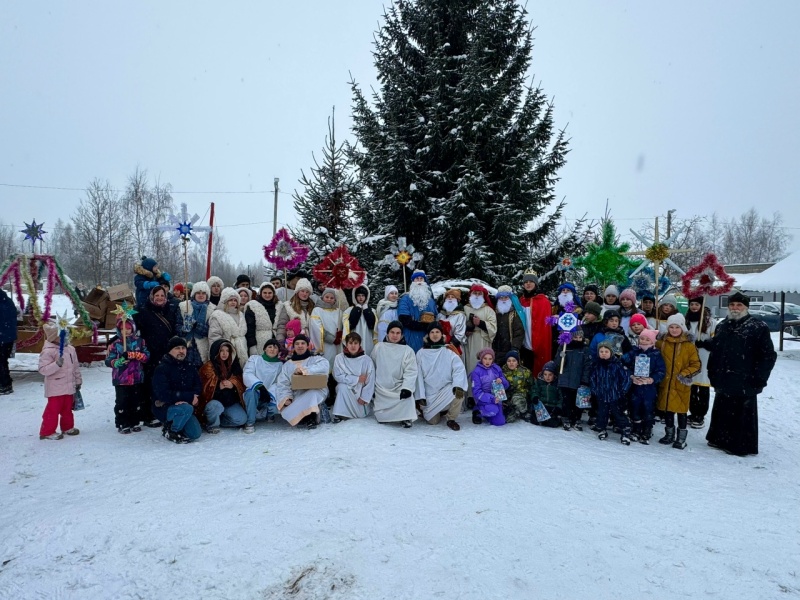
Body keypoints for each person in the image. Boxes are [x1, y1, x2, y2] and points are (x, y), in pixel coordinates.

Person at [702, 292, 777, 456]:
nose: (735, 308)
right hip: (724, 377)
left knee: (741, 413)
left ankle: (739, 445)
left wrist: (760, 378)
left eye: (739, 305)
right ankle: (718, 439)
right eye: (732, 305)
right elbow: (718, 347)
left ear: (746, 307)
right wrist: (708, 349)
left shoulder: (758, 327)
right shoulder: (723, 325)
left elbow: (768, 356)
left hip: (745, 378)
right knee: (722, 409)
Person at [135, 285, 183, 427]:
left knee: (165, 382)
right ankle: (148, 414)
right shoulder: (143, 311)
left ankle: (164, 411)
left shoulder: (171, 310)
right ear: (152, 297)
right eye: (157, 296)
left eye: (162, 295)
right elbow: (132, 329)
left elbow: (176, 328)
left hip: (167, 352)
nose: (160, 298)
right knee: (149, 383)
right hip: (150, 352)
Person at [655, 314, 701, 450]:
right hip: (666, 383)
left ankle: (681, 438)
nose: (674, 330)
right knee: (668, 411)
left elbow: (696, 364)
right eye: (671, 327)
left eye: (677, 327)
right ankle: (669, 434)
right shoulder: (662, 343)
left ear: (682, 328)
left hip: (681, 384)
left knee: (681, 412)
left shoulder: (689, 346)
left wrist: (684, 374)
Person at [414, 323, 468, 431]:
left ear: (441, 334)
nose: (435, 335)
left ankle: (451, 418)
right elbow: (418, 376)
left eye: (437, 332)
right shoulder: (421, 353)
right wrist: (421, 396)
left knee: (459, 394)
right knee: (433, 422)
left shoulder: (448, 351)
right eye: (432, 332)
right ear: (428, 335)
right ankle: (438, 411)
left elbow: (458, 369)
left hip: (446, 389)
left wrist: (457, 386)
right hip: (430, 394)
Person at [151, 337, 202, 443]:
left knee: (195, 434)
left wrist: (192, 396)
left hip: (186, 406)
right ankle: (171, 430)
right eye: (177, 348)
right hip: (165, 406)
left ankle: (178, 422)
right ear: (170, 351)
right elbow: (162, 393)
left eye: (183, 348)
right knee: (186, 409)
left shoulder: (190, 366)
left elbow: (198, 386)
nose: (181, 351)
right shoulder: (162, 368)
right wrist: (186, 397)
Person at [37, 320, 82, 440]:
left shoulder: (71, 349)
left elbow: (75, 366)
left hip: (69, 386)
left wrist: (78, 380)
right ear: (55, 337)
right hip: (55, 387)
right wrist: (56, 365)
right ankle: (47, 431)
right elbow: (43, 369)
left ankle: (67, 427)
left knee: (67, 409)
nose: (67, 338)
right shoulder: (48, 351)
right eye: (63, 335)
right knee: (53, 410)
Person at [105, 316, 150, 434]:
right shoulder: (115, 344)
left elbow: (146, 357)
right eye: (123, 329)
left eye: (129, 328)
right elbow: (108, 360)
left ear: (133, 328)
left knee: (135, 400)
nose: (126, 331)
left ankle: (134, 421)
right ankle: (122, 422)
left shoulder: (140, 341)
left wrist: (134, 355)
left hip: (136, 377)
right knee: (122, 401)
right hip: (121, 378)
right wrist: (117, 362)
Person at [275, 334, 331, 428]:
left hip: (317, 391)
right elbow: (283, 384)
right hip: (297, 395)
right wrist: (286, 398)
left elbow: (324, 367)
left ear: (307, 345)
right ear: (293, 347)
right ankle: (306, 415)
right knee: (287, 411)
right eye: (297, 344)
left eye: (302, 343)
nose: (300, 346)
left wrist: (304, 370)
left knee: (312, 394)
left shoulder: (316, 359)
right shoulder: (288, 365)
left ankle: (311, 417)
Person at [371, 321, 418, 428]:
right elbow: (372, 367)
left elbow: (411, 371)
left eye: (398, 333)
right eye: (392, 332)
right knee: (382, 417)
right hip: (381, 388)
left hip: (399, 387)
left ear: (402, 335)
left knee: (407, 399)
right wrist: (371, 387)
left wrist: (407, 388)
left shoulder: (408, 350)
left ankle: (405, 418)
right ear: (387, 333)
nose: (395, 335)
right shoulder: (378, 347)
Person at [197, 339, 250, 434]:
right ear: (216, 351)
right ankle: (212, 424)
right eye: (221, 350)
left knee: (241, 419)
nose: (225, 353)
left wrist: (233, 384)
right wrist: (217, 387)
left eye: (227, 351)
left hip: (229, 402)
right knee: (215, 406)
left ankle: (220, 420)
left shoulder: (233, 365)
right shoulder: (207, 368)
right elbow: (203, 390)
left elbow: (240, 381)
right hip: (214, 402)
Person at [622, 328, 665, 444]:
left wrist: (652, 379)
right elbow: (624, 365)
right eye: (642, 338)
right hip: (635, 387)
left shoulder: (656, 355)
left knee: (648, 409)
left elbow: (661, 371)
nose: (644, 341)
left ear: (652, 342)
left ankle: (647, 429)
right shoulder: (633, 352)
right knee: (634, 407)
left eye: (647, 339)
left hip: (649, 388)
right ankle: (636, 428)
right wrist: (631, 376)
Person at [589, 341, 632, 444]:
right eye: (601, 351)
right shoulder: (596, 365)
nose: (604, 353)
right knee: (602, 413)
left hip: (615, 395)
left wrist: (623, 391)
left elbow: (626, 379)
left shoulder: (617, 365)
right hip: (602, 395)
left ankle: (625, 430)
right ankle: (601, 428)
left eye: (606, 351)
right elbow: (592, 378)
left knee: (619, 414)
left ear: (611, 352)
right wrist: (595, 390)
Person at [685, 296, 716, 429]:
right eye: (692, 304)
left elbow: (716, 340)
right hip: (689, 358)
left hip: (704, 358)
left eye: (697, 304)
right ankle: (692, 412)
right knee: (691, 388)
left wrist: (705, 343)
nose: (694, 307)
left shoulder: (710, 322)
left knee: (702, 388)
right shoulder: (686, 321)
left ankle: (700, 415)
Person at [332, 332, 376, 422]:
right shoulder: (339, 358)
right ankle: (339, 414)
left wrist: (365, 397)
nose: (353, 346)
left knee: (360, 414)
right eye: (350, 343)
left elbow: (371, 380)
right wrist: (356, 379)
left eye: (356, 343)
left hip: (359, 395)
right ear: (346, 344)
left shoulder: (366, 360)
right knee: (341, 387)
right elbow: (337, 376)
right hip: (345, 391)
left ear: (359, 344)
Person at [464, 284, 497, 398]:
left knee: (484, 367)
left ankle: (485, 395)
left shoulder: (488, 310)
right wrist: (466, 330)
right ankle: (471, 396)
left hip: (484, 341)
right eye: (475, 293)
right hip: (469, 341)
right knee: (471, 366)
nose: (477, 296)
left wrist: (481, 324)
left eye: (479, 294)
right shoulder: (466, 308)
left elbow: (493, 328)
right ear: (471, 295)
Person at [554, 328, 591, 430]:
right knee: (566, 400)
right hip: (565, 379)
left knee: (578, 401)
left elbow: (587, 366)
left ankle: (576, 418)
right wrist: (562, 357)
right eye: (575, 337)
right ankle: (566, 417)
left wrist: (585, 379)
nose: (578, 339)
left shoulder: (584, 350)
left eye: (580, 337)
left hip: (578, 380)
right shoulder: (564, 347)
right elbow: (558, 364)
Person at [518, 271, 553, 376]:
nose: (528, 284)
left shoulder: (543, 301)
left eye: (531, 281)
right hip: (524, 340)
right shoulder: (520, 300)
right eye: (526, 282)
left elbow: (545, 325)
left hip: (539, 339)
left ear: (536, 284)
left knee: (538, 367)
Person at [243, 338, 283, 424]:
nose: (272, 349)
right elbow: (248, 373)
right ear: (264, 349)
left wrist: (270, 394)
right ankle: (250, 422)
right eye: (269, 347)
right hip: (255, 391)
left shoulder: (280, 365)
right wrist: (259, 386)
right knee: (250, 393)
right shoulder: (255, 359)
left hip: (269, 394)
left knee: (275, 407)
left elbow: (278, 382)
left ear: (278, 351)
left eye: (275, 347)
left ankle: (269, 414)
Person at [398, 270, 439, 353]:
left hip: (428, 337)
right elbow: (403, 319)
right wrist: (422, 326)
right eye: (417, 279)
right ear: (413, 281)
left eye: (421, 279)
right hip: (410, 336)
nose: (419, 281)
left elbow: (435, 317)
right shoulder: (405, 299)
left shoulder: (431, 301)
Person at [208, 288, 248, 369]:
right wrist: (221, 351)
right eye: (230, 300)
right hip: (225, 351)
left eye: (235, 300)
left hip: (241, 350)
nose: (233, 302)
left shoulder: (240, 314)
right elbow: (214, 336)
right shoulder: (217, 315)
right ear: (225, 301)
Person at [178, 281, 215, 368]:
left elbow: (212, 330)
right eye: (198, 293)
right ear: (194, 294)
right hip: (186, 346)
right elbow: (177, 325)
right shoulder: (183, 307)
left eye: (203, 293)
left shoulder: (212, 310)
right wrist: (183, 329)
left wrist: (195, 325)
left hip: (203, 348)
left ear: (207, 295)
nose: (201, 295)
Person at [470, 347, 509, 426]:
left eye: (490, 359)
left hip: (497, 399)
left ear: (493, 359)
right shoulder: (476, 372)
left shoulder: (496, 368)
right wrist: (491, 398)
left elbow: (506, 385)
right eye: (485, 358)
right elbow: (476, 392)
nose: (487, 361)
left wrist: (502, 380)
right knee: (493, 410)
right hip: (483, 399)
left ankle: (491, 413)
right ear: (481, 359)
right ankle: (478, 411)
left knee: (500, 422)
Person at [245, 282, 282, 356]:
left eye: (270, 293)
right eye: (265, 293)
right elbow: (250, 328)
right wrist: (252, 346)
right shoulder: (253, 306)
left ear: (273, 293)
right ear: (260, 293)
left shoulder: (279, 305)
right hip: (260, 342)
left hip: (277, 340)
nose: (267, 295)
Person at [493, 285, 525, 367]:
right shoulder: (494, 313)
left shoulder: (515, 314)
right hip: (496, 350)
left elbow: (519, 332)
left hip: (509, 350)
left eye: (506, 297)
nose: (503, 300)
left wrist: (515, 348)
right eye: (501, 298)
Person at [342, 285, 377, 357]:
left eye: (363, 295)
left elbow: (372, 325)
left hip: (368, 336)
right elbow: (350, 325)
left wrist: (366, 310)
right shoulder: (349, 310)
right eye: (358, 295)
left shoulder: (372, 310)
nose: (361, 298)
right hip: (355, 334)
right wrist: (357, 309)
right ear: (355, 296)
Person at [501, 350, 533, 423]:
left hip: (521, 396)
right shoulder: (502, 372)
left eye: (514, 360)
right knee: (508, 420)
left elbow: (532, 386)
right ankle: (514, 411)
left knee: (516, 398)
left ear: (518, 362)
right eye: (509, 361)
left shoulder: (525, 372)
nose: (511, 363)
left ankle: (524, 412)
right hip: (507, 397)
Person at [529, 361, 564, 427]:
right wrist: (535, 397)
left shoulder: (557, 385)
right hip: (541, 406)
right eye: (545, 374)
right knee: (534, 420)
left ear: (554, 375)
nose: (547, 377)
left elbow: (561, 398)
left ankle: (556, 419)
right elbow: (535, 391)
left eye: (550, 375)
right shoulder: (539, 382)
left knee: (552, 423)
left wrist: (558, 407)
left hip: (552, 407)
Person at [437, 288, 468, 355]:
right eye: (448, 297)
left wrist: (449, 343)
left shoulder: (460, 315)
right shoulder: (440, 315)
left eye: (453, 297)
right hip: (440, 346)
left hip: (455, 347)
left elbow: (460, 335)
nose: (450, 299)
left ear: (457, 300)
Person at [0, 288, 18, 395]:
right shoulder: (8, 302)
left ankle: (5, 385)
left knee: (1, 362)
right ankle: (6, 383)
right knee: (3, 361)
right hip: (8, 338)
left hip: (2, 337)